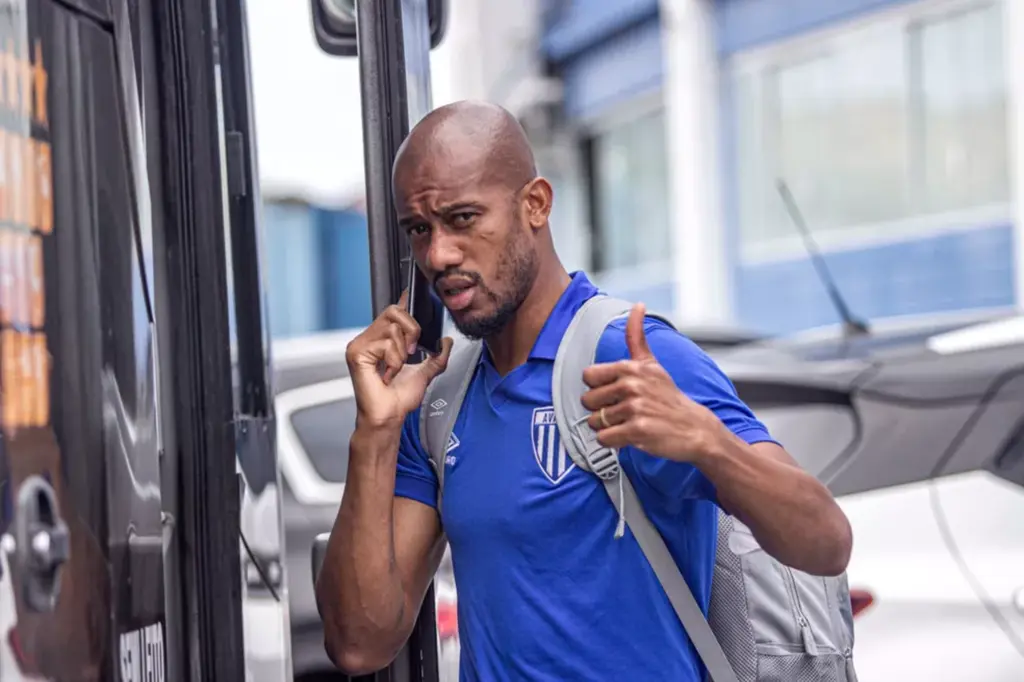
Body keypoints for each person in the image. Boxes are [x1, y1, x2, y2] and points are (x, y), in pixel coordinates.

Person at [315, 100, 853, 681]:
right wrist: (374, 433)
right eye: (420, 229)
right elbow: (360, 645)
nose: (439, 255)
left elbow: (824, 543)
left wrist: (708, 444)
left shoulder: (631, 353)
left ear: (536, 204)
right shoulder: (442, 401)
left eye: (464, 218)